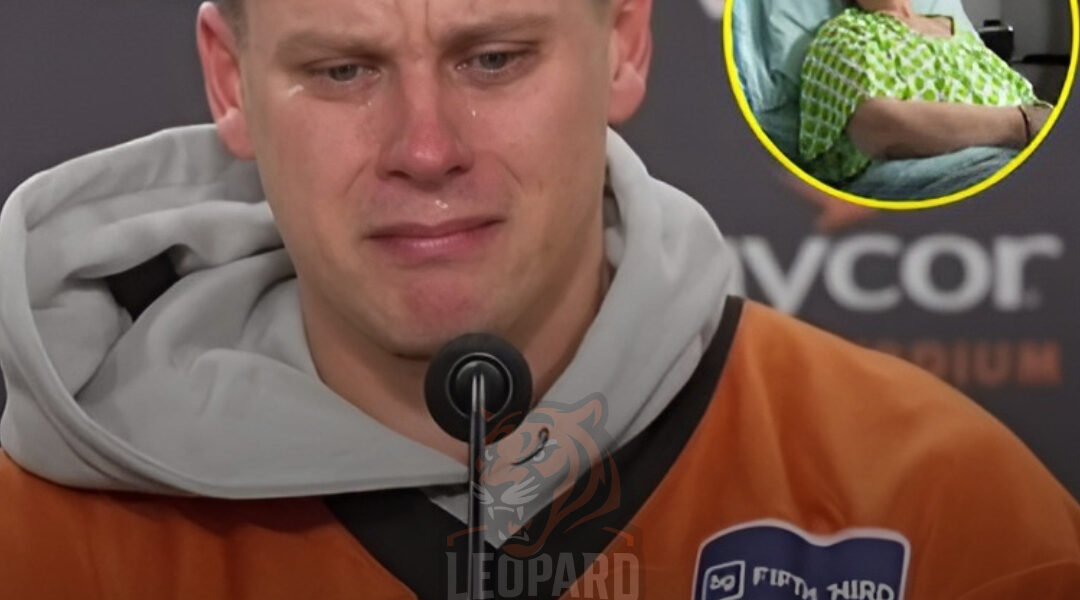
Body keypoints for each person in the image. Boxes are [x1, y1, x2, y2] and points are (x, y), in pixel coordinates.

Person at [0, 0, 1078, 598]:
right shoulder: (41, 544)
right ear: (231, 82)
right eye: (343, 71)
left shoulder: (945, 509)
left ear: (626, 46)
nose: (426, 148)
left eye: (494, 58)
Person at [798, 0, 1055, 185]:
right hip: (943, 171)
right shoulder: (846, 33)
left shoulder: (963, 37)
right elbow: (878, 126)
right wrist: (1021, 123)